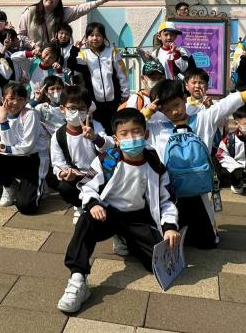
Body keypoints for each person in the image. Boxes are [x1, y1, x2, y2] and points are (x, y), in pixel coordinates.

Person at [57, 108, 179, 314]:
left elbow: (166, 200)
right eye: (124, 134)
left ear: (146, 134)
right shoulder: (107, 159)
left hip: (137, 218)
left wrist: (169, 227)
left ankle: (125, 238)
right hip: (109, 214)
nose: (131, 138)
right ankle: (78, 278)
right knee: (86, 220)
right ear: (115, 139)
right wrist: (93, 204)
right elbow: (86, 185)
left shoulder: (155, 164)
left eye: (136, 132)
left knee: (156, 263)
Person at [142, 77, 246, 249]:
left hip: (199, 189)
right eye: (166, 109)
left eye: (176, 105)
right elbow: (132, 125)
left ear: (184, 98)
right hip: (170, 193)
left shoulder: (203, 119)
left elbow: (227, 104)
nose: (174, 112)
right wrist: (148, 111)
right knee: (169, 239)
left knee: (208, 243)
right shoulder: (155, 127)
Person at [50, 85, 113, 225]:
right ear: (62, 109)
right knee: (64, 186)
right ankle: (79, 206)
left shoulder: (95, 126)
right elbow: (57, 163)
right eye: (72, 108)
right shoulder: (58, 136)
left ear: (88, 109)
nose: (77, 113)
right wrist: (64, 173)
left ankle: (96, 203)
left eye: (82, 109)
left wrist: (95, 138)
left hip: (97, 173)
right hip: (77, 175)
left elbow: (111, 147)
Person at [0, 82, 43, 214]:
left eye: (20, 99)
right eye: (11, 98)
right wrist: (3, 120)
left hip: (30, 161)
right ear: (3, 99)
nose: (15, 103)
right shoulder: (1, 114)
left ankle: (40, 183)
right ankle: (9, 186)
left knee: (26, 207)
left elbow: (26, 147)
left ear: (26, 100)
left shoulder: (30, 115)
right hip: (12, 158)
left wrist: (3, 148)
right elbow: (8, 143)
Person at [73, 22, 129, 135]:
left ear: (103, 37)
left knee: (116, 128)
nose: (95, 38)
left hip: (114, 100)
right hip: (94, 102)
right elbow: (72, 65)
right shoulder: (84, 54)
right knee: (99, 130)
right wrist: (75, 49)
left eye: (98, 35)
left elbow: (122, 73)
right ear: (87, 38)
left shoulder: (112, 51)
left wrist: (125, 92)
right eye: (91, 35)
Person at [18, 0, 113, 49]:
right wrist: (34, 46)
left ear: (59, 1)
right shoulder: (30, 12)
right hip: (31, 55)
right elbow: (21, 35)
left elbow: (80, 9)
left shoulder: (61, 14)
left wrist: (101, 1)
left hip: (51, 57)